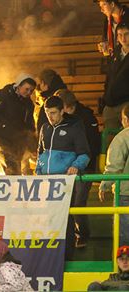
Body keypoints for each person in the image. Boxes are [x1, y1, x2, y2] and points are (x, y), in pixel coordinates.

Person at [36, 96, 91, 260]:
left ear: (62, 111)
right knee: (46, 218)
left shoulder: (74, 127)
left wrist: (76, 166)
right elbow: (40, 153)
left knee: (65, 218)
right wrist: (38, 171)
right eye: (47, 113)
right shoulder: (45, 128)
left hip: (64, 183)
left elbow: (85, 154)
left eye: (53, 113)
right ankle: (48, 255)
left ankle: (67, 256)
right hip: (45, 183)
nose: (50, 117)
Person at [56, 89, 101, 248]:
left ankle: (82, 234)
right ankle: (69, 236)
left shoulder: (87, 117)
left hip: (84, 169)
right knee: (66, 203)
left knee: (78, 202)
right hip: (66, 169)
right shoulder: (60, 121)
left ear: (66, 106)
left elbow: (94, 143)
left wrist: (82, 162)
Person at [0, 73, 37, 175]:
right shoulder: (3, 95)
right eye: (26, 89)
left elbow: (29, 126)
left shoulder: (28, 104)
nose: (29, 93)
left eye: (31, 91)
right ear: (18, 86)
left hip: (18, 144)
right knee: (12, 170)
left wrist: (33, 147)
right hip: (1, 140)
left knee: (18, 170)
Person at [99, 105, 129, 246]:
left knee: (124, 237)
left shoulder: (122, 137)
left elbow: (114, 166)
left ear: (125, 119)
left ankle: (124, 267)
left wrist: (104, 185)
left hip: (125, 193)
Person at [102, 22, 129, 130]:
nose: (123, 38)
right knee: (111, 140)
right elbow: (109, 77)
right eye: (120, 35)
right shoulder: (115, 53)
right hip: (110, 103)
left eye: (126, 34)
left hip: (126, 103)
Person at [35, 68, 68, 133]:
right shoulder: (65, 95)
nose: (39, 87)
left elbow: (43, 124)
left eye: (40, 84)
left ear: (43, 83)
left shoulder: (50, 101)